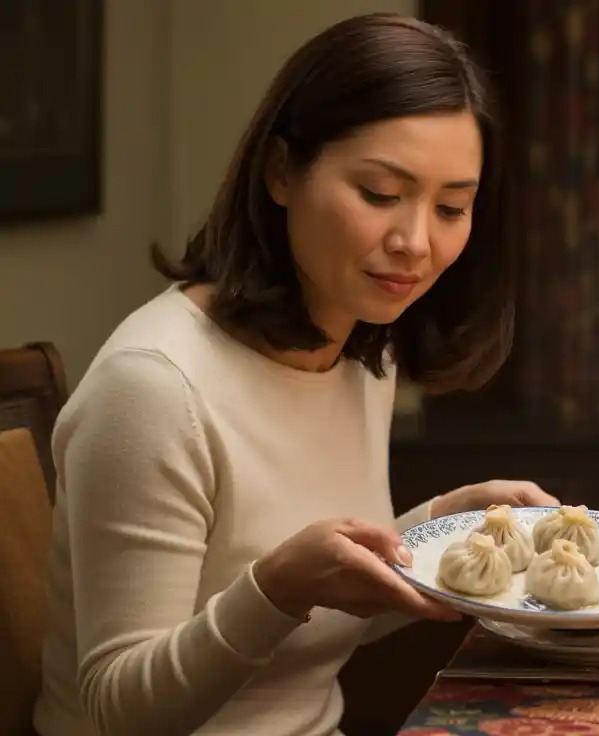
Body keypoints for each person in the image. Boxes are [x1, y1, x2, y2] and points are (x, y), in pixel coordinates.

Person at [33, 14, 558, 736]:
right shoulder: (154, 389)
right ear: (282, 170)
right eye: (379, 194)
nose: (415, 241)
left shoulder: (357, 350)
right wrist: (278, 585)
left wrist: (440, 529)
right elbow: (117, 711)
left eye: (451, 208)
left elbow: (312, 623)